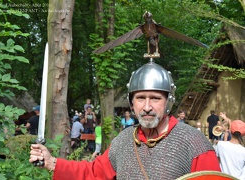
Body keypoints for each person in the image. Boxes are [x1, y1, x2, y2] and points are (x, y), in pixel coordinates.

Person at [29, 61, 220, 179]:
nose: (147, 106)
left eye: (155, 98)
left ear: (168, 101)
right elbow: (94, 173)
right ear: (131, 103)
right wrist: (52, 162)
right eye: (140, 98)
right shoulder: (124, 140)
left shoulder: (193, 144)